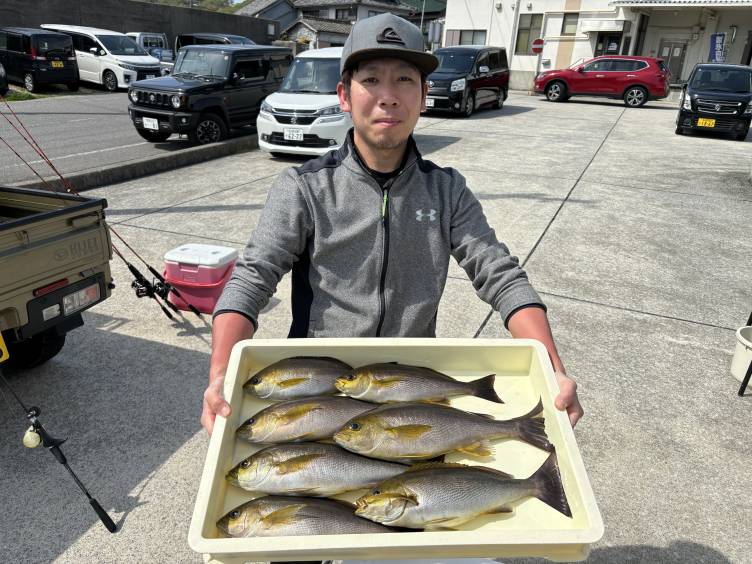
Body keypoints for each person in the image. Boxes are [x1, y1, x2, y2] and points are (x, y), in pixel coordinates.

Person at [202, 14, 583, 434]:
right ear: (344, 95)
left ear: (423, 96)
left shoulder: (446, 190)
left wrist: (552, 370)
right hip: (321, 388)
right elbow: (252, 277)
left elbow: (501, 275)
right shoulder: (305, 187)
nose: (388, 97)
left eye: (404, 79)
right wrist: (220, 375)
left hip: (410, 386)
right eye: (371, 80)